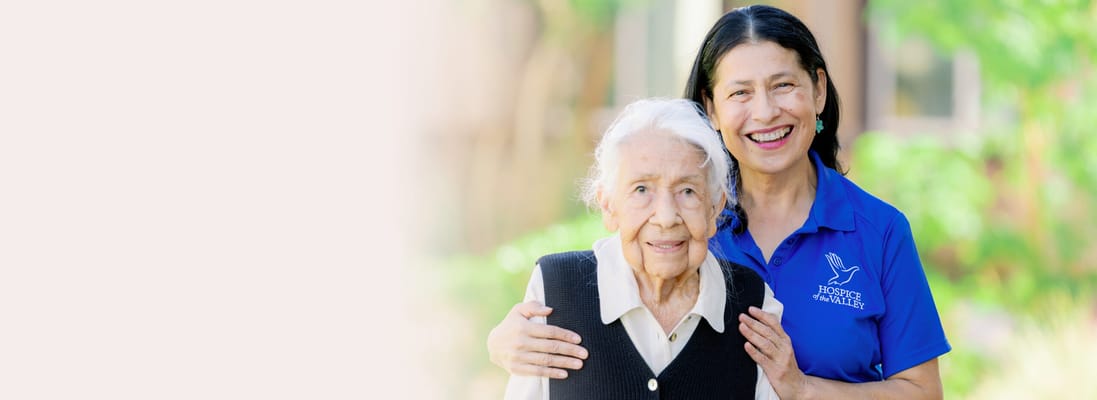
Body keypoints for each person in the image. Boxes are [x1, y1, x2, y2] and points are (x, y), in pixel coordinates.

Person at [488, 5, 951, 399]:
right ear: (711, 108)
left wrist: (805, 390)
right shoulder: (686, 218)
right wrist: (505, 342)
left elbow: (922, 392)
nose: (766, 112)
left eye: (783, 85)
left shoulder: (879, 230)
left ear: (818, 90)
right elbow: (605, 301)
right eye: (740, 93)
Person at [504, 98, 783, 399]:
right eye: (641, 190)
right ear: (609, 205)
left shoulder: (753, 303)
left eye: (687, 191)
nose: (665, 217)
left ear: (715, 208)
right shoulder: (555, 289)